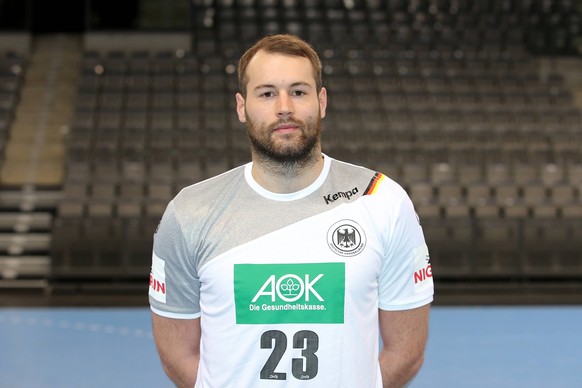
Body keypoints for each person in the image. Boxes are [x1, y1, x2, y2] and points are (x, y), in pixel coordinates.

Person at [149, 33, 434, 388]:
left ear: (322, 101)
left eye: (298, 91)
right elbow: (177, 356)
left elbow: (405, 352)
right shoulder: (190, 212)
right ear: (242, 107)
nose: (284, 106)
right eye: (267, 93)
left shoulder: (382, 200)